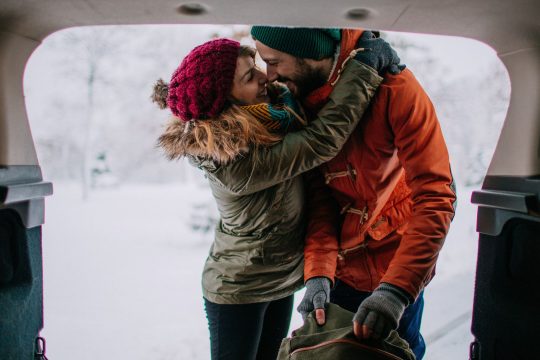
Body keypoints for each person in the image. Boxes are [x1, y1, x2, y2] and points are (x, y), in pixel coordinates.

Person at [151, 37, 401, 360]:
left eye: (254, 67)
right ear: (227, 104)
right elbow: (320, 141)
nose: (264, 77)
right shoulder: (233, 162)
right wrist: (365, 68)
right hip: (238, 288)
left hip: (280, 280)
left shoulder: (271, 117)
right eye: (248, 78)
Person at [251, 26, 457, 359]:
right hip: (339, 271)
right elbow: (322, 201)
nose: (270, 75)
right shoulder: (297, 98)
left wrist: (396, 291)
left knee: (399, 351)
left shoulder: (396, 88)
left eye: (274, 61)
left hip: (398, 265)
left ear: (312, 53)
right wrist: (318, 274)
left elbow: (436, 196)